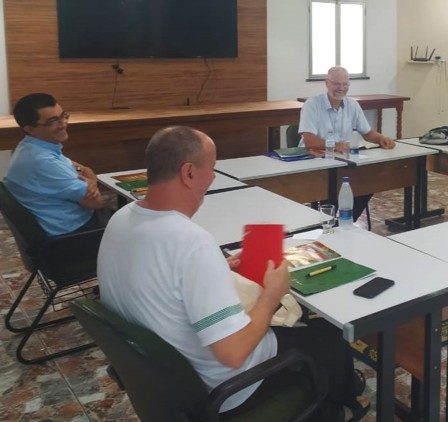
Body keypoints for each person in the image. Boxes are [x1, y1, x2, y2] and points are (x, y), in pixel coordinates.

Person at [97, 126, 367, 420]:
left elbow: (153, 276)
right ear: (189, 173)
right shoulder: (191, 243)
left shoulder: (121, 219)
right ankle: (341, 404)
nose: (212, 178)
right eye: (211, 169)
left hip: (165, 382)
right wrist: (271, 296)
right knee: (327, 335)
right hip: (225, 389)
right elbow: (234, 353)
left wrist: (213, 270)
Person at [299, 66, 396, 222]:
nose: (341, 88)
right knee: (330, 191)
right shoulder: (312, 104)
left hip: (343, 163)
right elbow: (309, 140)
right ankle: (329, 224)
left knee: (368, 183)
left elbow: (368, 133)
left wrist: (382, 139)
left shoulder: (352, 105)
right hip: (315, 163)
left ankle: (346, 222)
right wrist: (335, 145)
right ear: (327, 83)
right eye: (337, 84)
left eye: (345, 84)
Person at [4, 93, 108, 235]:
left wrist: (91, 179)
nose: (63, 124)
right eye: (53, 121)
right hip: (75, 233)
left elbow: (82, 168)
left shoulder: (31, 146)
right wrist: (92, 182)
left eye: (63, 116)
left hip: (67, 222)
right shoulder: (42, 161)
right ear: (29, 129)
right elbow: (96, 203)